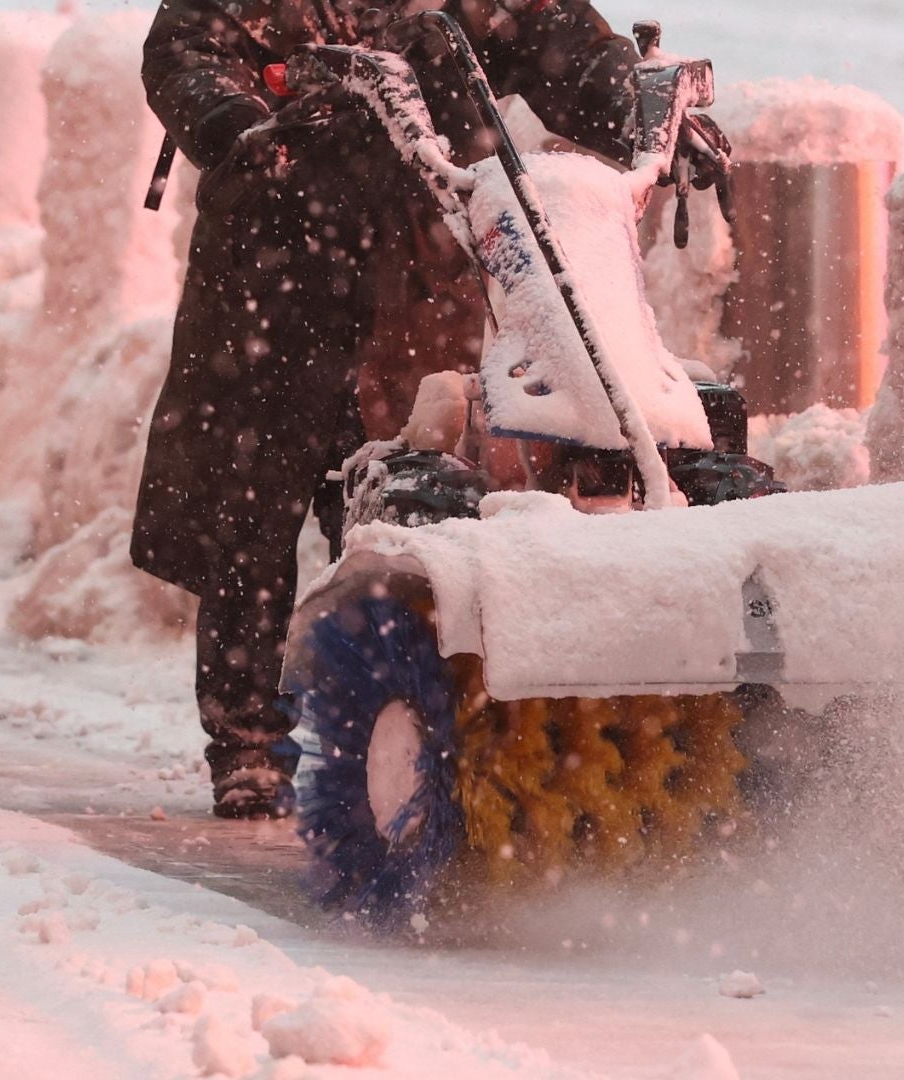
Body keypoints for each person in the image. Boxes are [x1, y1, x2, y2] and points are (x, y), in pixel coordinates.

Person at [132, 0, 712, 818]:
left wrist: (638, 105)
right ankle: (248, 744)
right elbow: (187, 49)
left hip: (414, 279)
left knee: (404, 518)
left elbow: (559, 40)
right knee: (248, 519)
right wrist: (236, 123)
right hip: (268, 271)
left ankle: (379, 735)